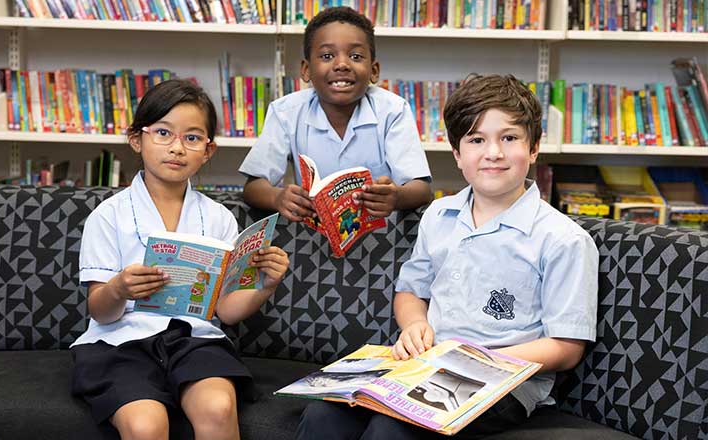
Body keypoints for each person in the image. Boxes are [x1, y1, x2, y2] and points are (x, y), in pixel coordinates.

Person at [296, 74, 599, 440]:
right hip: (425, 367)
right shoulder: (439, 215)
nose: (493, 152)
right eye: (476, 140)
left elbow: (566, 347)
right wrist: (414, 325)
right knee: (324, 414)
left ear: (533, 148)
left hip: (504, 382)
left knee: (391, 429)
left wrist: (478, 360)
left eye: (509, 138)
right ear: (457, 154)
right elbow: (411, 291)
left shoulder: (563, 239)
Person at [71, 78, 290, 440]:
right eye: (163, 133)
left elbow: (225, 311)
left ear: (208, 150)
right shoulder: (108, 216)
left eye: (192, 138)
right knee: (146, 425)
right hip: (119, 343)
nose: (177, 148)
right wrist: (119, 288)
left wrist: (266, 285)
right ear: (136, 139)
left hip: (193, 341)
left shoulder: (219, 218)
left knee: (218, 408)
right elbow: (100, 311)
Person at [239, 6, 432, 223]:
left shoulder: (393, 110)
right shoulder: (285, 112)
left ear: (374, 70)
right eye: (327, 56)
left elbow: (422, 189)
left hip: (382, 237)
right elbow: (253, 187)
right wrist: (277, 197)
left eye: (356, 56)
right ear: (306, 70)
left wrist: (396, 197)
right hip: (311, 235)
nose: (342, 65)